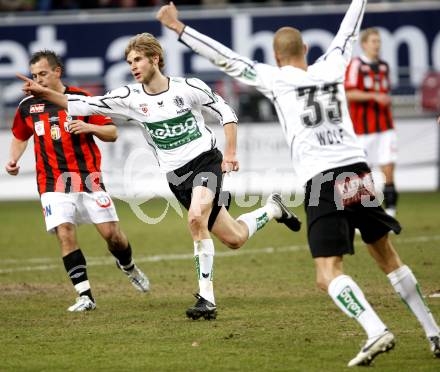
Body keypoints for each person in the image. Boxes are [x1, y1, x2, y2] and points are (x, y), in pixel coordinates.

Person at [156, 0, 440, 366]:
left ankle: (374, 329)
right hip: (359, 174)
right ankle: (433, 331)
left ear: (276, 57)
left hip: (324, 180)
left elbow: (224, 58)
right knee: (387, 256)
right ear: (306, 50)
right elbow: (349, 29)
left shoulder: (274, 78)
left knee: (327, 274)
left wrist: (179, 28)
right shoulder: (334, 65)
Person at [17, 37, 301, 321]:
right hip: (176, 176)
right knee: (235, 238)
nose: (133, 67)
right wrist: (42, 91)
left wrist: (230, 153)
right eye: (129, 62)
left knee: (194, 219)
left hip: (206, 162)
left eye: (138, 60)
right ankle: (273, 209)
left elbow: (226, 111)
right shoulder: (130, 98)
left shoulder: (188, 88)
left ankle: (206, 299)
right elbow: (79, 103)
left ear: (155, 58)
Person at [7, 50, 149, 312]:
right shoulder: (27, 106)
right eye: (34, 75)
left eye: (43, 74)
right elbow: (20, 135)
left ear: (57, 72)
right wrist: (13, 159)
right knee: (65, 232)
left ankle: (127, 265)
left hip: (88, 178)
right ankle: (85, 295)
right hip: (52, 182)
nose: (38, 79)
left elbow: (112, 132)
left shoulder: (81, 99)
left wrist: (90, 127)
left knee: (112, 235)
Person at [345, 28, 398, 217]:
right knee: (363, 174)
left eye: (379, 41)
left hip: (385, 126)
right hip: (362, 129)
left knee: (389, 169)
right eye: (373, 41)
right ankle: (366, 216)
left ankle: (390, 213)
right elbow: (349, 93)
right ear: (364, 44)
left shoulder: (384, 66)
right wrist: (374, 96)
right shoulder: (355, 65)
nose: (377, 45)